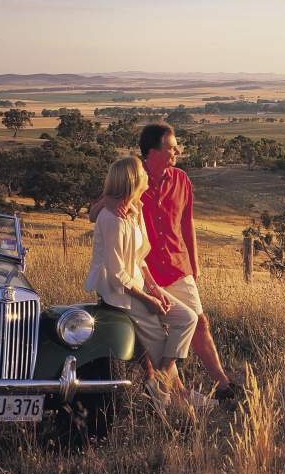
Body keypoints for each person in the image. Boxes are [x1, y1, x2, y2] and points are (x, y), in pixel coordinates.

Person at [89, 121, 243, 402]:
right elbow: (96, 212)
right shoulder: (134, 179)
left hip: (176, 266)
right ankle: (173, 391)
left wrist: (194, 264)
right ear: (153, 151)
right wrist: (107, 203)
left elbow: (187, 222)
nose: (177, 152)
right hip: (142, 272)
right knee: (156, 337)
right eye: (172, 147)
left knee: (198, 321)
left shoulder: (181, 179)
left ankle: (222, 385)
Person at [85, 156, 213, 411]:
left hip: (139, 284)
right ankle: (175, 395)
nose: (146, 176)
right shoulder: (111, 219)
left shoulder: (136, 208)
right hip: (120, 293)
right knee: (160, 344)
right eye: (142, 173)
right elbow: (117, 275)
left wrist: (155, 290)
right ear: (133, 180)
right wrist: (148, 300)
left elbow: (140, 258)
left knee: (187, 318)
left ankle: (161, 382)